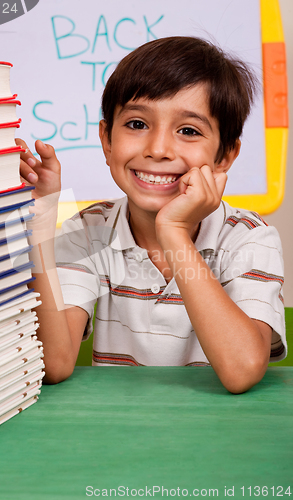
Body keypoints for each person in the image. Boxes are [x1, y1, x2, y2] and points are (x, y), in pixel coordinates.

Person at [18, 36, 286, 393]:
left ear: (225, 156)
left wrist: (173, 231)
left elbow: (241, 371)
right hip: (124, 433)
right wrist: (39, 222)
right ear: (107, 140)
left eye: (188, 131)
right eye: (137, 124)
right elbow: (52, 363)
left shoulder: (250, 237)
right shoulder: (87, 230)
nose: (158, 149)